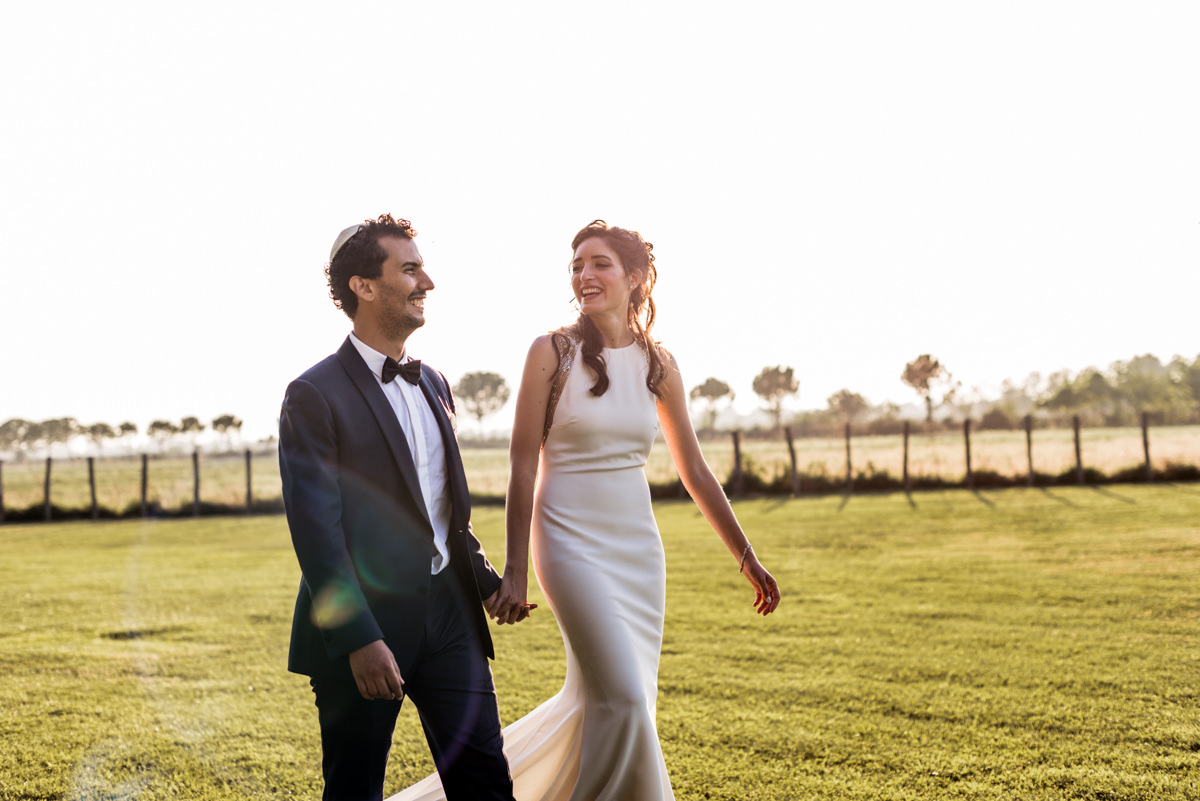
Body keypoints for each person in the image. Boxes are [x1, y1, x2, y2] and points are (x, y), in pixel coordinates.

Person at [485, 220, 780, 799]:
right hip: (567, 541)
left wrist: (746, 556)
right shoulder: (551, 352)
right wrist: (515, 569)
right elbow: (522, 464)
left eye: (598, 263)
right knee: (620, 696)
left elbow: (694, 471)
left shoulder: (658, 364)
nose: (583, 275)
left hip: (638, 551)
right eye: (576, 265)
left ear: (636, 278)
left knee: (619, 702)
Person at [279, 214, 519, 801]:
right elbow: (317, 532)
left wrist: (485, 581)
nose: (426, 281)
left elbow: (440, 508)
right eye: (409, 269)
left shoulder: (435, 381)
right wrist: (360, 637)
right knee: (355, 789)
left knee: (486, 782)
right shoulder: (313, 395)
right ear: (363, 286)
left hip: (451, 617)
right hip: (365, 624)